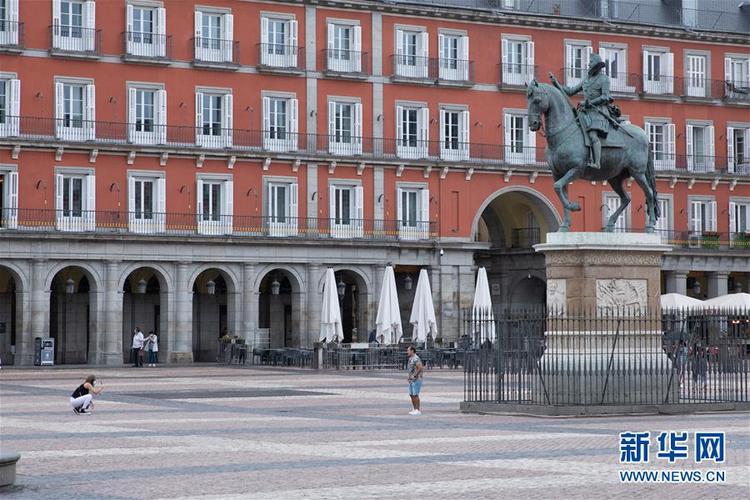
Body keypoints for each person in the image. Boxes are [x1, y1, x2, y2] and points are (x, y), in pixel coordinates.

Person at [551, 53, 614, 170]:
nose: (588, 64)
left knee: (593, 135)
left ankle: (597, 162)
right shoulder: (587, 80)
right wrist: (557, 84)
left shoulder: (604, 79)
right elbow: (571, 91)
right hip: (585, 112)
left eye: (590, 62)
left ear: (596, 64)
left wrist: (587, 103)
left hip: (599, 112)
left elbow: (605, 97)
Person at [406, 345, 424, 416]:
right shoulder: (411, 358)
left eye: (408, 350)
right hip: (412, 379)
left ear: (412, 351)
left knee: (415, 394)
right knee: (411, 394)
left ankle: (418, 409)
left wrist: (414, 375)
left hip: (417, 379)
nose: (407, 352)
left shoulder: (416, 358)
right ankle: (414, 408)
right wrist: (409, 377)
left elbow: (420, 368)